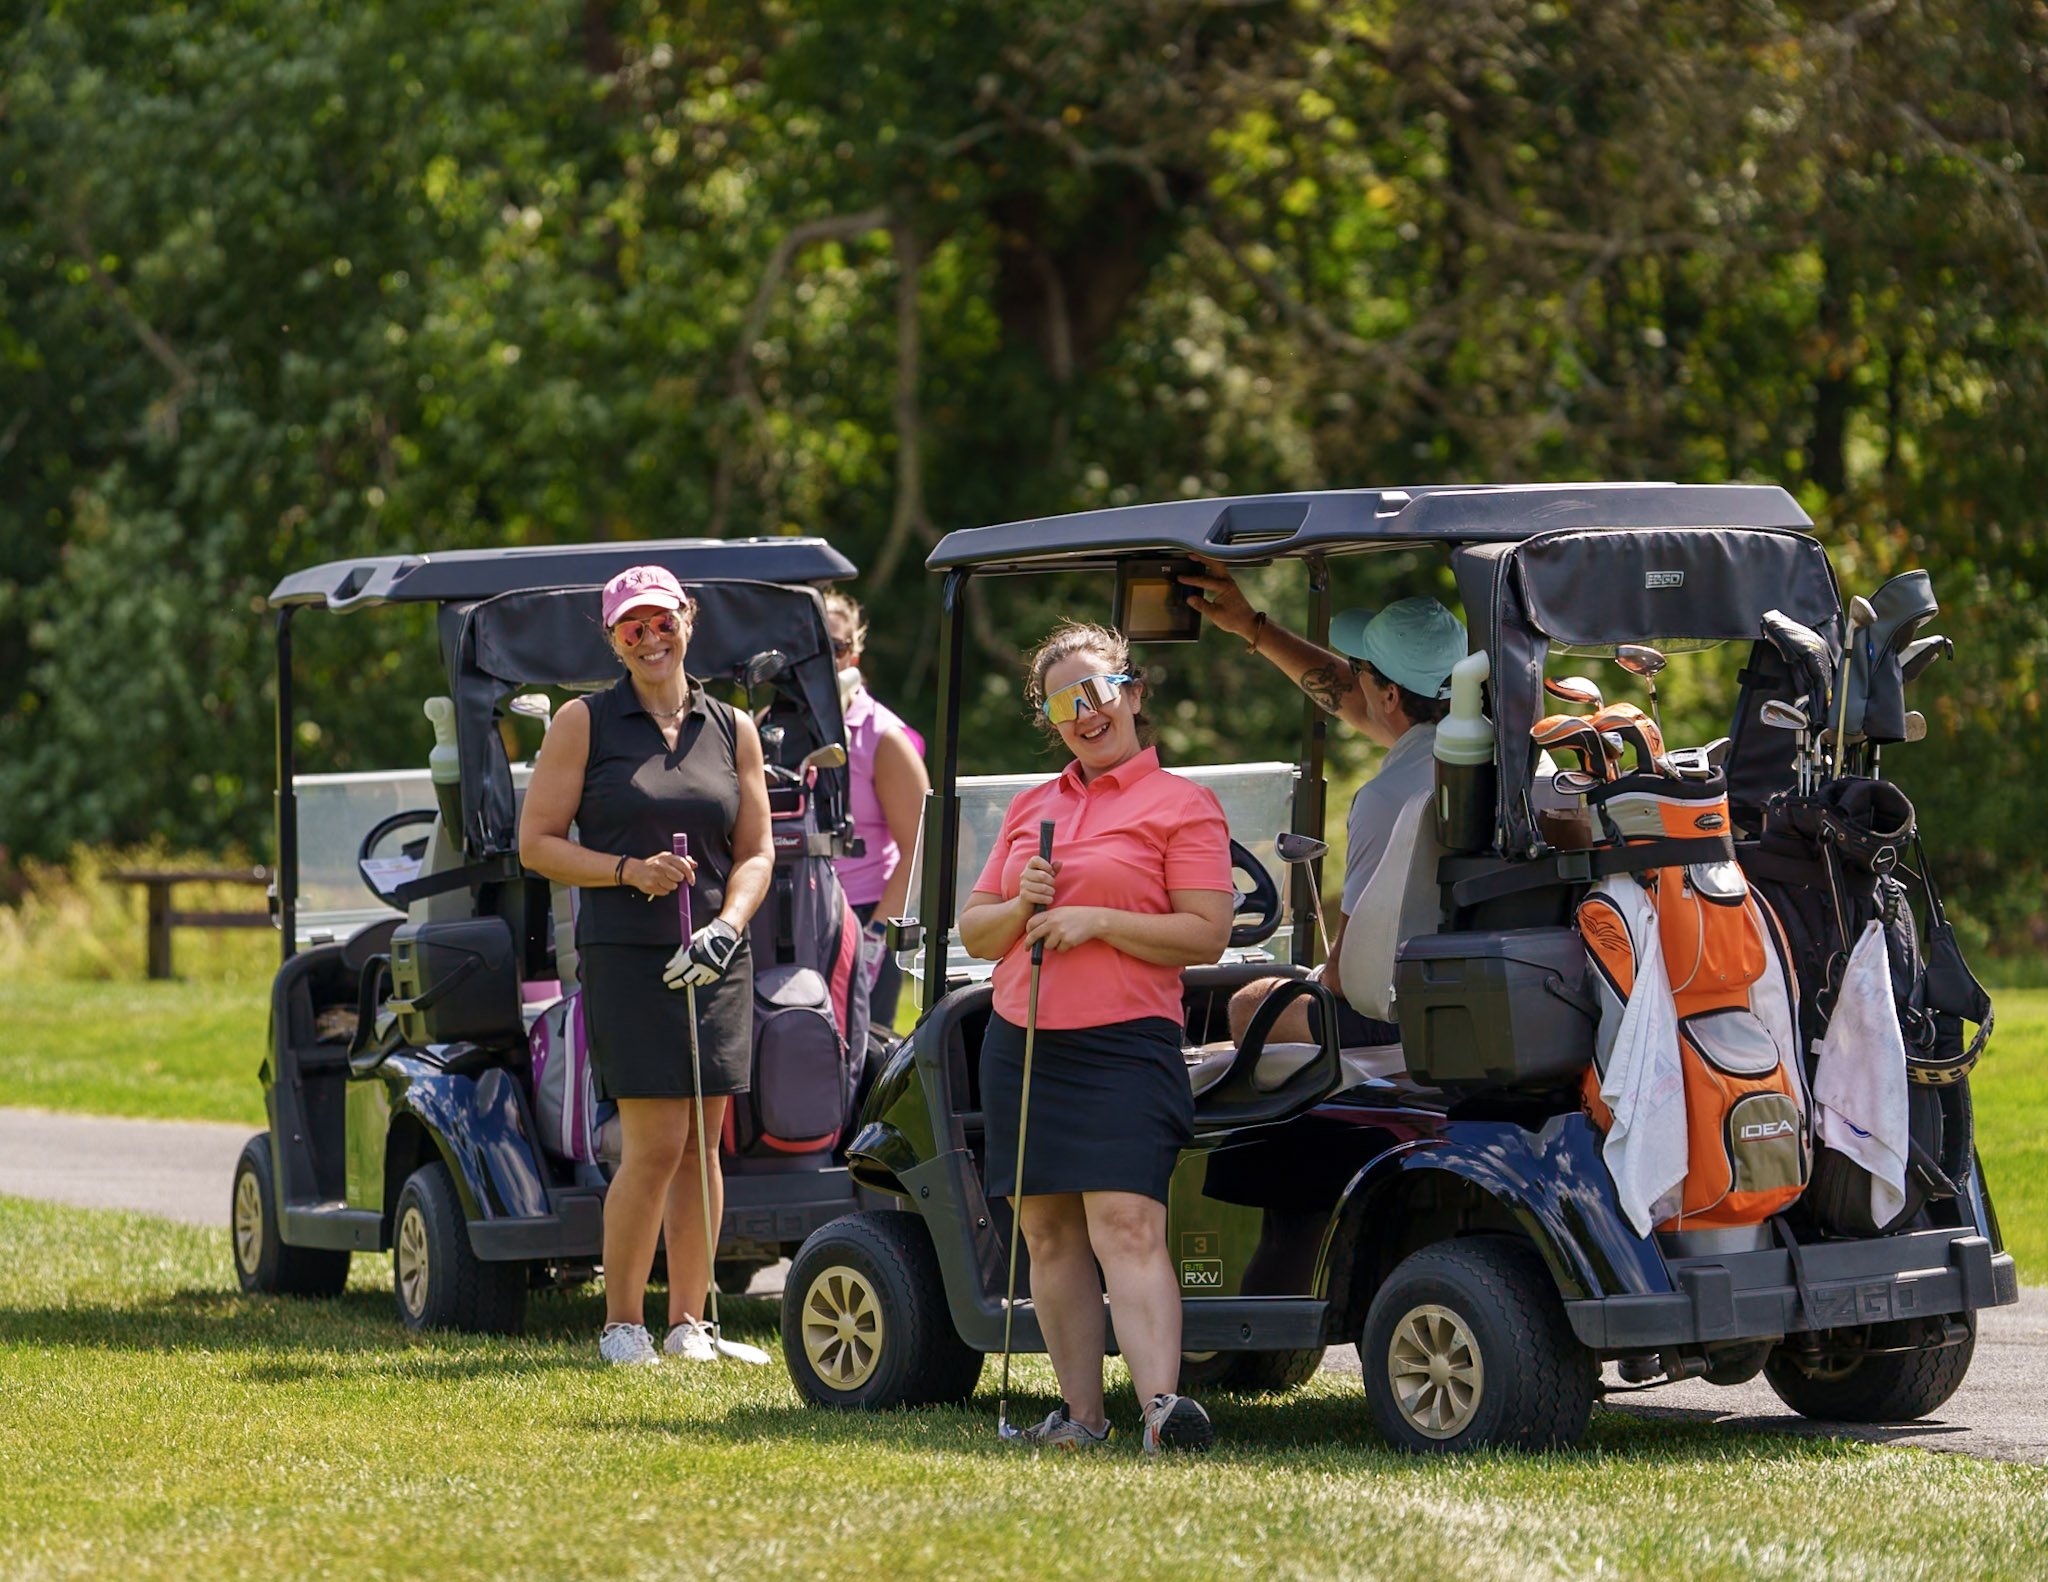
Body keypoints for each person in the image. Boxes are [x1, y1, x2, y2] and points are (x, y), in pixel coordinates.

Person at [959, 620, 1234, 1453]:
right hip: (1026, 1040)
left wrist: (1098, 921)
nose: (1083, 714)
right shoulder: (1030, 808)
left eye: (1096, 692)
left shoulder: (1181, 804)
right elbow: (977, 932)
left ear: (1132, 693)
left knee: (1125, 1222)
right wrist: (1021, 908)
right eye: (1062, 703)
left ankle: (1160, 1416)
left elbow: (1204, 934)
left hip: (1125, 1043)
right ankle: (1080, 1419)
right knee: (1046, 1231)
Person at [519, 565, 775, 1367]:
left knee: (705, 1141)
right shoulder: (583, 722)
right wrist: (629, 871)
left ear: (689, 621)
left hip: (715, 955)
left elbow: (756, 852)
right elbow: (538, 846)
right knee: (656, 1142)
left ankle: (691, 1323)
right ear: (613, 639)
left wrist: (730, 925)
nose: (651, 637)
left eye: (663, 620)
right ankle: (623, 1323)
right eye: (633, 626)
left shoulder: (733, 726)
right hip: (631, 956)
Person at [1178, 561, 1464, 1046]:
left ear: (1391, 694)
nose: (1353, 679)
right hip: (1469, 993)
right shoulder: (1499, 750)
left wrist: (1312, 979)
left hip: (1404, 1016)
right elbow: (1352, 701)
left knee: (1251, 1005)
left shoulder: (1387, 798)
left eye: (1360, 670)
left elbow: (1347, 974)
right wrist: (1251, 626)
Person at [823, 590, 929, 1032]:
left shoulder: (883, 736)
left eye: (837, 648)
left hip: (867, 915)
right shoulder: (775, 725)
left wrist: (874, 938)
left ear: (855, 652)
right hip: (800, 913)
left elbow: (921, 846)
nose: (826, 660)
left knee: (864, 1055)